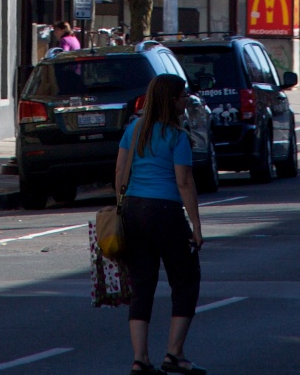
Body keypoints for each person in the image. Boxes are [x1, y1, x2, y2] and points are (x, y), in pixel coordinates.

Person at [112, 74, 203, 375]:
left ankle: (140, 359)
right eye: (183, 95)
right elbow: (184, 182)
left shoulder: (134, 130)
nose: (187, 99)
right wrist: (196, 226)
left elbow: (120, 172)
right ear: (172, 100)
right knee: (185, 280)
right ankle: (174, 353)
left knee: (142, 285)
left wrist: (122, 206)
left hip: (133, 209)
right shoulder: (177, 136)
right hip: (166, 212)